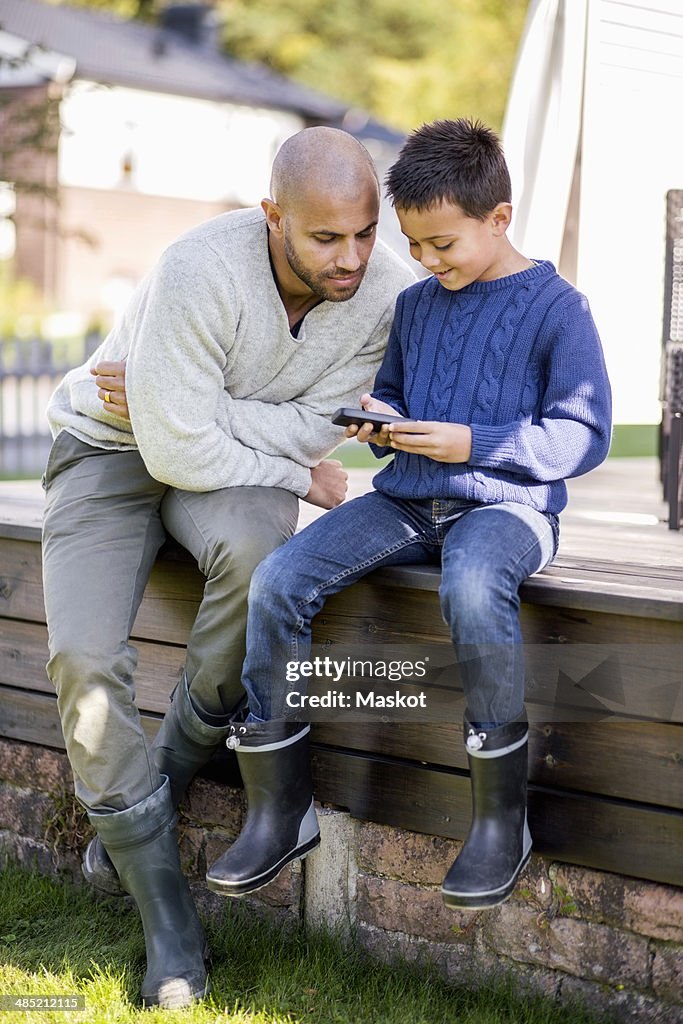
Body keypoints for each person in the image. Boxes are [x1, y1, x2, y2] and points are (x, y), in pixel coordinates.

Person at [41, 126, 414, 1008]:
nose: (352, 258)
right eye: (326, 237)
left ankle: (161, 785)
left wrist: (206, 409)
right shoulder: (199, 267)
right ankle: (168, 917)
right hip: (106, 448)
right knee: (84, 664)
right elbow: (175, 446)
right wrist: (288, 464)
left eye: (365, 232)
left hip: (218, 464)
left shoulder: (384, 294)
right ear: (272, 216)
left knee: (259, 558)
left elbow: (324, 422)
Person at [205, 118, 612, 911]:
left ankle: (500, 819)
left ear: (497, 219)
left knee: (469, 586)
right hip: (404, 499)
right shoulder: (419, 304)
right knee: (280, 577)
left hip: (508, 508)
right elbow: (393, 387)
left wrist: (474, 443)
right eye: (413, 245)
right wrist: (375, 417)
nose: (424, 262)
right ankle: (280, 806)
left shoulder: (559, 308)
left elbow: (582, 434)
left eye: (441, 245)